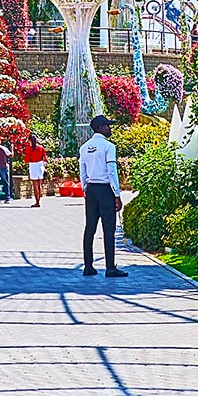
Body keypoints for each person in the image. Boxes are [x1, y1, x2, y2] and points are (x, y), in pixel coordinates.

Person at [79, 114, 125, 277]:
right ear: (100, 128)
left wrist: (86, 189)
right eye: (107, 125)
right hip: (105, 190)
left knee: (90, 228)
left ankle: (88, 266)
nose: (109, 128)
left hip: (91, 189)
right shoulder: (108, 146)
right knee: (108, 229)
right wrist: (117, 195)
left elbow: (82, 172)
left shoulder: (84, 147)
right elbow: (111, 171)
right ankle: (110, 268)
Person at [23, 134, 48, 207]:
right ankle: (39, 201)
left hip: (33, 165)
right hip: (40, 165)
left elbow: (26, 159)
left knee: (35, 185)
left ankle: (37, 202)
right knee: (39, 184)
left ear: (29, 140)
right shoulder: (41, 148)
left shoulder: (29, 149)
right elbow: (45, 158)